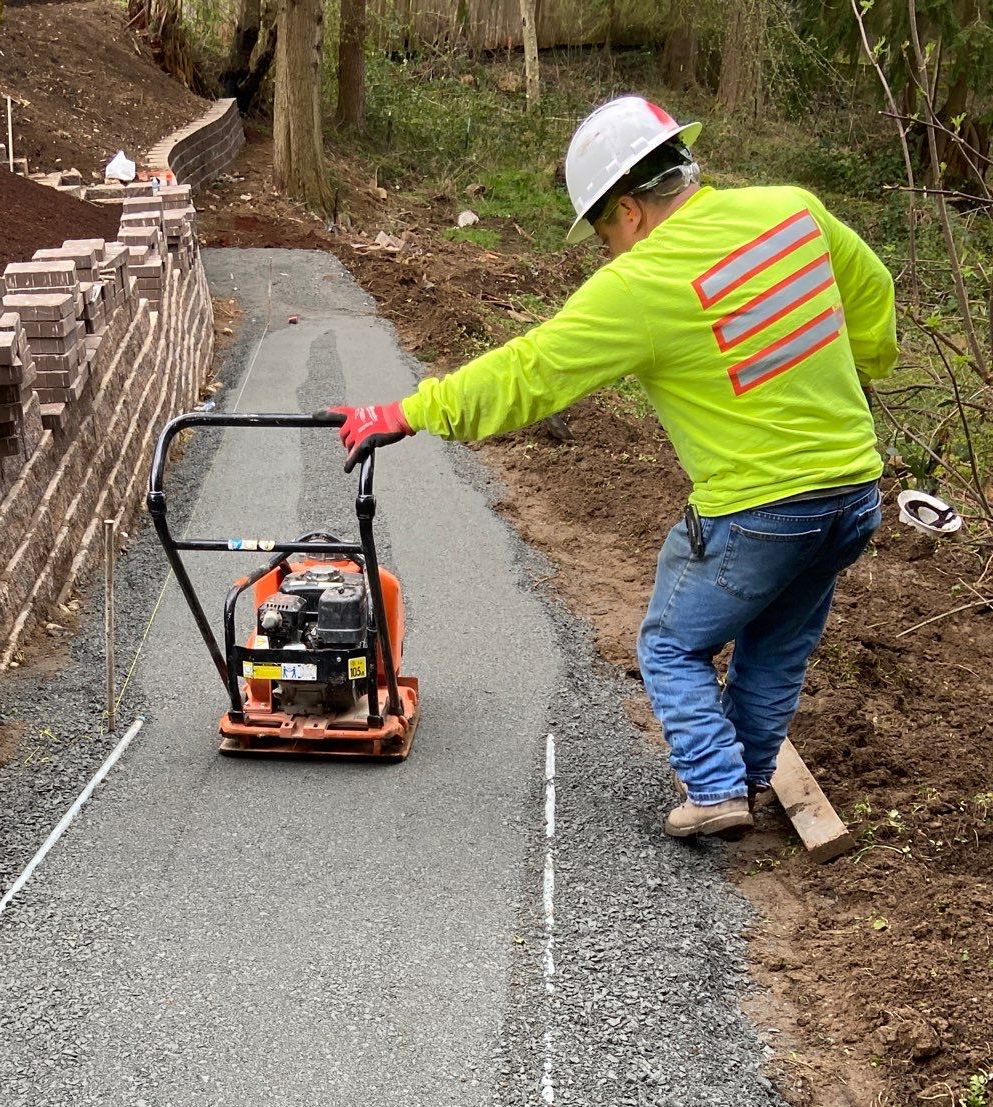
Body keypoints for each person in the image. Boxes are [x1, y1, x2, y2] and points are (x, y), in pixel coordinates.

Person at [330, 95, 898, 837]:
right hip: (854, 490)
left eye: (602, 231)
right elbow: (872, 291)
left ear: (629, 209)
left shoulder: (642, 284)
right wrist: (859, 371)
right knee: (775, 642)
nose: (608, 249)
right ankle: (749, 778)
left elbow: (530, 372)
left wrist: (409, 412)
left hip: (762, 509)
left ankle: (716, 788)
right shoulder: (794, 211)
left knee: (672, 643)